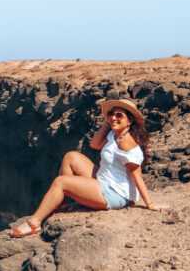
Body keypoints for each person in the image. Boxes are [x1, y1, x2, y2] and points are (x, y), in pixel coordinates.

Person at [9, 97, 159, 238]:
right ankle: (64, 202)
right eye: (111, 114)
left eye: (119, 115)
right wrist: (109, 122)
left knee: (61, 182)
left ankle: (34, 223)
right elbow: (94, 145)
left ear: (130, 121)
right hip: (103, 180)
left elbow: (136, 176)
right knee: (71, 156)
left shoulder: (127, 142)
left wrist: (150, 204)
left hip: (116, 194)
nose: (114, 118)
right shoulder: (114, 134)